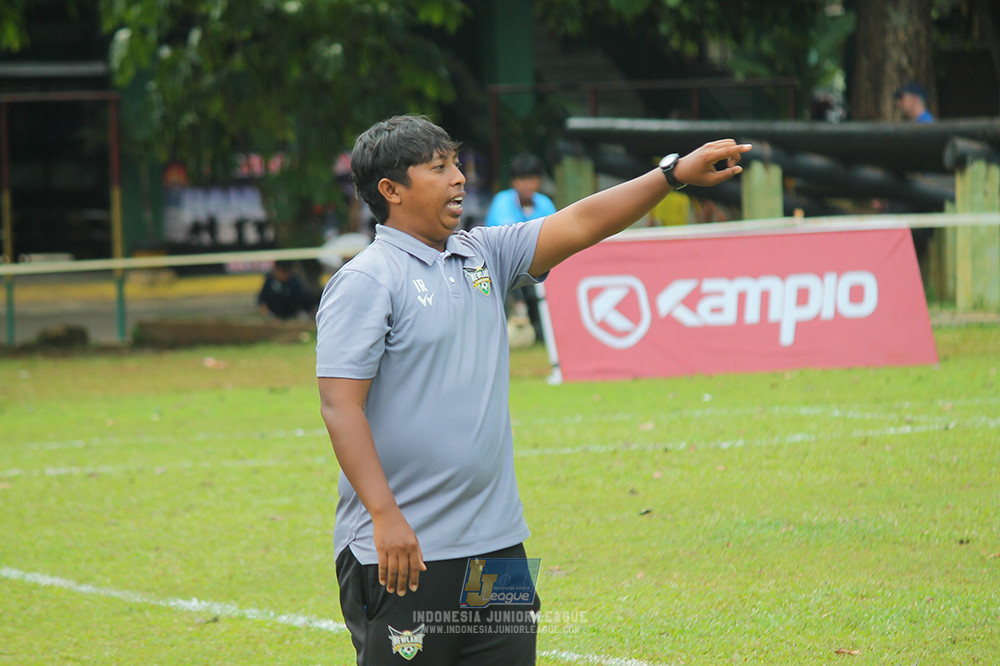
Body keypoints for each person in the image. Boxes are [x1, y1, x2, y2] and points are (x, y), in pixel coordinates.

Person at [315, 114, 750, 665]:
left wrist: (672, 174)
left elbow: (584, 220)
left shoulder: (484, 255)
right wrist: (384, 515)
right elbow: (340, 407)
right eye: (439, 168)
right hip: (405, 550)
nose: (458, 179)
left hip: (498, 548)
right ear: (391, 190)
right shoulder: (368, 280)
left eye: (457, 165)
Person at [484, 153, 558, 342]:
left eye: (531, 179)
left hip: (538, 264)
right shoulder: (502, 201)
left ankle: (542, 330)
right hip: (503, 264)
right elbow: (509, 239)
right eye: (521, 179)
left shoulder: (545, 203)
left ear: (539, 181)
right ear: (513, 182)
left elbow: (554, 235)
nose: (527, 185)